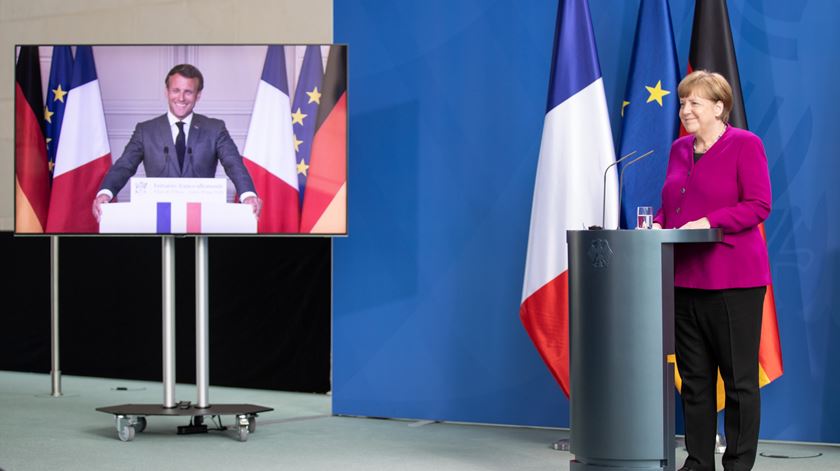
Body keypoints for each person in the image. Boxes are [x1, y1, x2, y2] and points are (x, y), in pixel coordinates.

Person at [652, 70, 771, 471]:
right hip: (684, 279)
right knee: (695, 381)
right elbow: (673, 205)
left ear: (719, 108)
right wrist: (658, 223)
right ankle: (698, 462)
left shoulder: (745, 144)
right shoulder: (679, 149)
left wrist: (709, 222)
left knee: (738, 382)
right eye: (683, 103)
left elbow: (758, 204)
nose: (685, 110)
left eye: (694, 103)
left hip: (732, 282)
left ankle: (737, 464)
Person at [93, 64, 261, 220]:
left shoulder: (215, 129)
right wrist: (105, 193)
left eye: (188, 92)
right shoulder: (145, 130)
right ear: (167, 92)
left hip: (202, 220)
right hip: (158, 219)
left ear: (198, 95)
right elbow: (125, 165)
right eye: (176, 90)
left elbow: (234, 164)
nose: (181, 98)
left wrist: (248, 195)